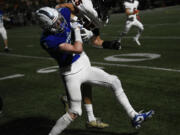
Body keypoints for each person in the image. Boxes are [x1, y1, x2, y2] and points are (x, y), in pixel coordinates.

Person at [36, 7, 154, 135]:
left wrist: (85, 24)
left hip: (84, 65)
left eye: (59, 18)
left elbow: (73, 6)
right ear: (47, 27)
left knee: (114, 81)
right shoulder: (48, 41)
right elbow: (77, 48)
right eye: (57, 22)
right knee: (74, 112)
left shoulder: (63, 13)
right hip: (71, 73)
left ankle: (134, 116)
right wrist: (77, 30)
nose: (61, 22)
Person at [56, 0, 119, 128]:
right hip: (67, 46)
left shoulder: (94, 15)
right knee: (79, 81)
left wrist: (109, 44)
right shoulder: (81, 6)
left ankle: (90, 118)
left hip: (78, 50)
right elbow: (60, 7)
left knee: (86, 82)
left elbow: (96, 41)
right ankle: (71, 102)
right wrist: (72, 25)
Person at [55, 0, 121, 49]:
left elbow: (96, 41)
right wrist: (76, 21)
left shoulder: (99, 17)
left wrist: (110, 45)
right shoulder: (89, 7)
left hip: (73, 29)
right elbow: (65, 7)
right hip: (65, 21)